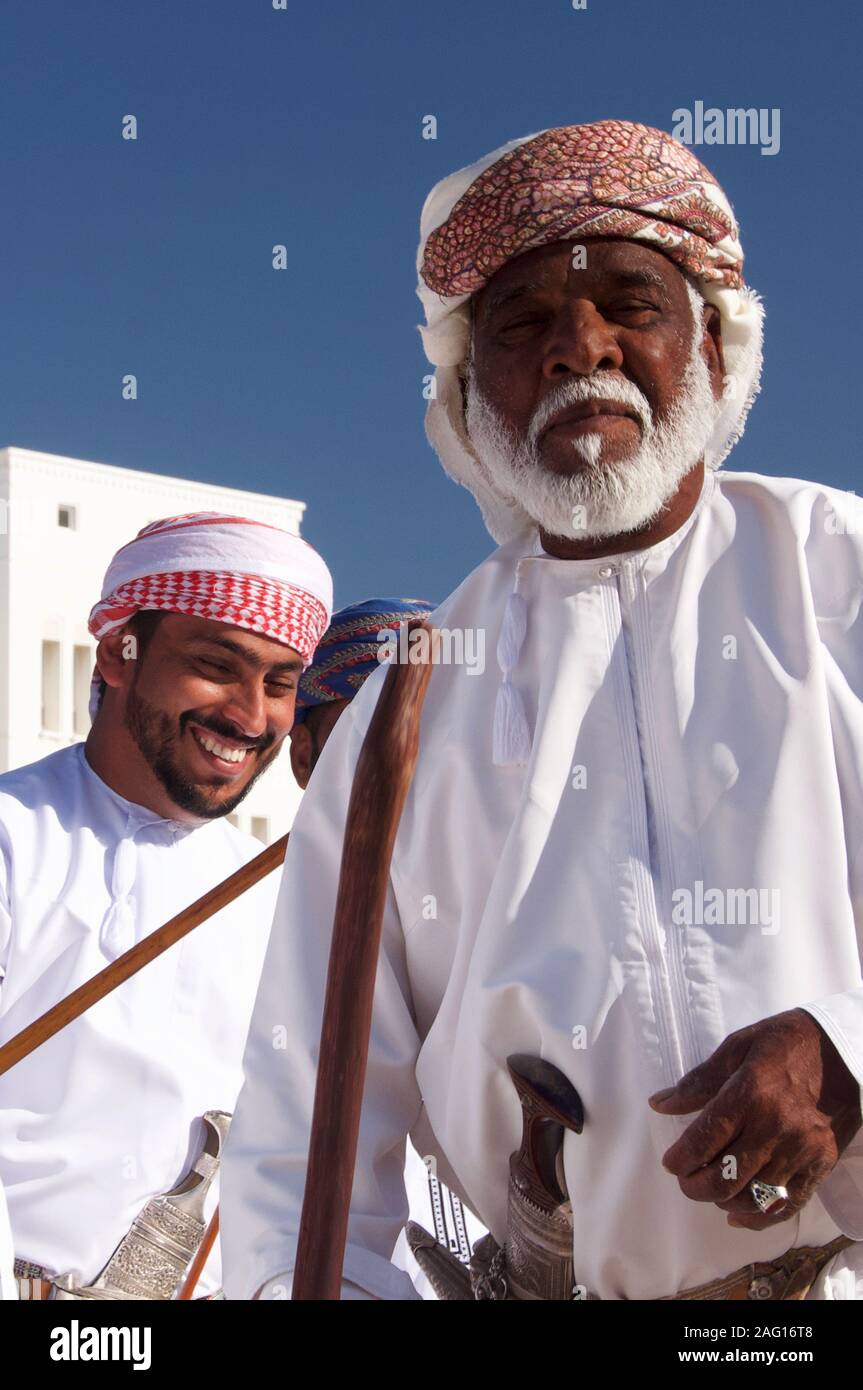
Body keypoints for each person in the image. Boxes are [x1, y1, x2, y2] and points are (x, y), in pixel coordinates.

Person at [221, 121, 863, 1301]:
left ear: (714, 352)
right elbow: (304, 1125)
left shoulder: (838, 576)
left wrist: (844, 1053)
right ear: (467, 396)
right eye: (522, 326)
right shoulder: (407, 707)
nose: (581, 350)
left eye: (631, 302)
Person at [0, 511, 332, 1299]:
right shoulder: (14, 840)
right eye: (219, 666)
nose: (250, 718)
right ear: (119, 653)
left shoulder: (284, 896)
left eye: (280, 685)